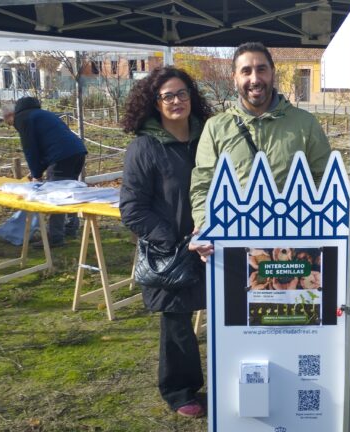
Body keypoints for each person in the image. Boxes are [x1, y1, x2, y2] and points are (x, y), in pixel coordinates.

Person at [119, 66, 213, 418]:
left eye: (182, 93)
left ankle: (235, 378)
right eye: (168, 96)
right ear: (155, 103)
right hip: (173, 252)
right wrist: (174, 240)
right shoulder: (145, 148)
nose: (176, 101)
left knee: (228, 313)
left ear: (192, 96)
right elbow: (132, 209)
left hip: (215, 244)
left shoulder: (209, 139)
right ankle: (180, 390)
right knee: (177, 323)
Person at [189, 42, 332, 258]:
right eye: (246, 71)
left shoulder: (305, 124)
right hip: (233, 243)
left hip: (292, 242)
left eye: (261, 69)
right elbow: (203, 185)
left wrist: (314, 224)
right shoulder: (216, 127)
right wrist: (205, 228)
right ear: (234, 78)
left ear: (272, 72)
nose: (255, 79)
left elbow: (323, 177)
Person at [3, 97, 88, 247]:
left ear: (10, 115)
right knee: (70, 191)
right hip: (77, 151)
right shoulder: (41, 114)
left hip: (61, 155)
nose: (11, 126)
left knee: (56, 195)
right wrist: (38, 170)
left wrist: (36, 174)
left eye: (8, 123)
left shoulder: (22, 119)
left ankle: (55, 237)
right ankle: (70, 228)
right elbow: (46, 143)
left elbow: (30, 149)